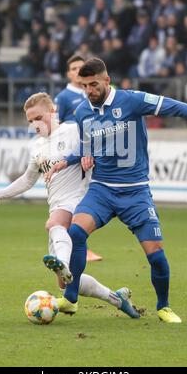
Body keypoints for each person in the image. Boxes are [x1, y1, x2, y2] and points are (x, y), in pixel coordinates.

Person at [45, 57, 187, 323]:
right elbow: (87, 144)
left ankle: (163, 306)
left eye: (94, 84)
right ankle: (71, 299)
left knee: (156, 255)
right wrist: (75, 158)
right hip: (102, 190)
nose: (89, 90)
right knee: (75, 232)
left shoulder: (131, 100)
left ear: (107, 80)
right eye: (85, 85)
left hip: (135, 193)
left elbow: (171, 106)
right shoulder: (82, 111)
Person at [0, 92, 139, 319]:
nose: (35, 124)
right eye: (30, 121)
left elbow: (98, 145)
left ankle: (63, 263)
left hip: (79, 199)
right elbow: (27, 180)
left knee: (53, 224)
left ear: (52, 112)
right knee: (65, 284)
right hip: (56, 203)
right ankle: (116, 298)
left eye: (38, 117)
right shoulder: (37, 147)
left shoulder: (73, 130)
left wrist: (89, 155)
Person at [55, 55, 103, 262]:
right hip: (75, 154)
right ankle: (76, 247)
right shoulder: (64, 97)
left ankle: (76, 245)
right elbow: (56, 126)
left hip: (93, 151)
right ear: (68, 73)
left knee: (87, 198)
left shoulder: (93, 92)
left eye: (79, 68)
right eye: (73, 68)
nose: (76, 71)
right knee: (77, 200)